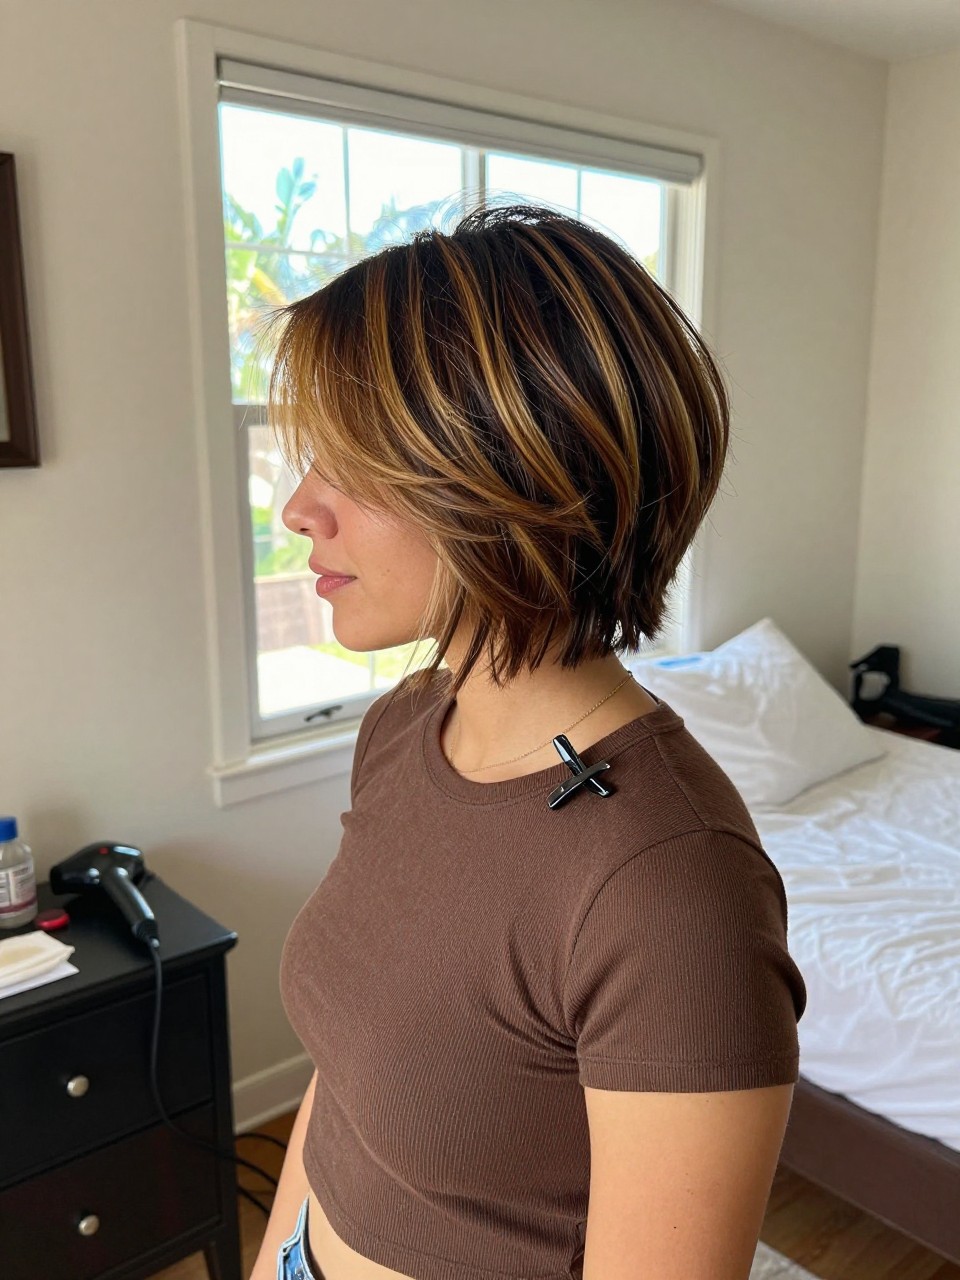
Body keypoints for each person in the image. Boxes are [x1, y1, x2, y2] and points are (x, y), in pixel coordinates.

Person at [250, 202, 807, 1280]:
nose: (297, 509)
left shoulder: (669, 888)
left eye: (349, 466)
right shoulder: (406, 723)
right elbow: (346, 1079)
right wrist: (280, 1253)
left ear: (507, 478)